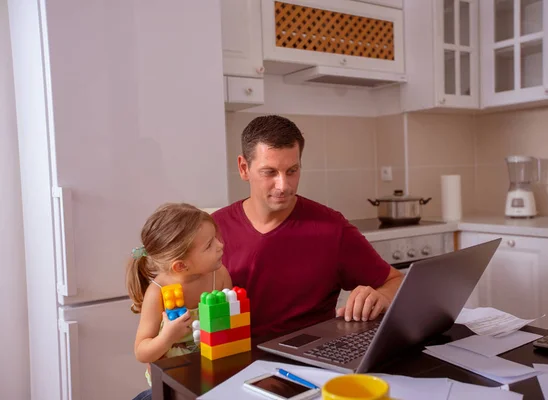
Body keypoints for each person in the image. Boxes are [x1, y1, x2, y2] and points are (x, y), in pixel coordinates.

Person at [212, 115, 404, 338]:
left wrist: (383, 297)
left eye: (292, 171)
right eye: (270, 172)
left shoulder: (332, 228)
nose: (283, 185)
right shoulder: (213, 230)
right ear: (244, 168)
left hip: (311, 360)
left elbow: (395, 281)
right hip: (235, 361)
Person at [126, 203, 231, 400]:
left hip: (211, 376)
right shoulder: (157, 293)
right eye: (209, 245)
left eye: (216, 238)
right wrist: (167, 336)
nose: (220, 245)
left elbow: (229, 322)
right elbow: (141, 352)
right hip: (172, 383)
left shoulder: (220, 275)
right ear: (181, 266)